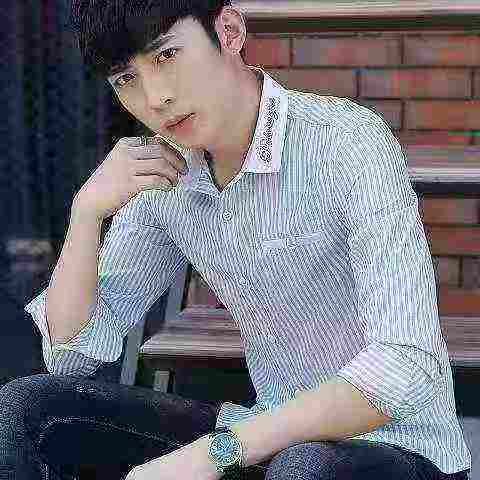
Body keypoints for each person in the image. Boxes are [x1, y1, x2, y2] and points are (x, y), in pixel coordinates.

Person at [0, 0, 472, 479]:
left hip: (399, 449)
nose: (156, 97)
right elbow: (70, 358)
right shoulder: (166, 177)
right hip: (267, 443)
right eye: (126, 79)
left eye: (166, 56)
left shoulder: (345, 143)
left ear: (228, 31)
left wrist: (217, 453)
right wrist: (86, 214)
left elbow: (405, 366)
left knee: (306, 466)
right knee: (26, 409)